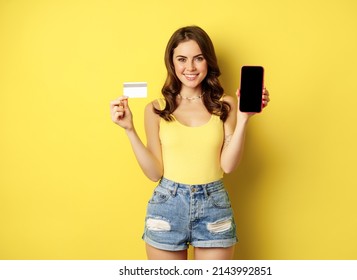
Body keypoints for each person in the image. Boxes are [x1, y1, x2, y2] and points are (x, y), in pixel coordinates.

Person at [110, 26, 270, 260]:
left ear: (209, 61)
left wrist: (245, 119)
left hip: (214, 206)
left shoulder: (225, 105)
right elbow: (155, 173)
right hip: (167, 206)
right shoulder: (155, 109)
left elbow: (228, 165)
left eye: (198, 58)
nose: (190, 67)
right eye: (182, 59)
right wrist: (129, 130)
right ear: (172, 63)